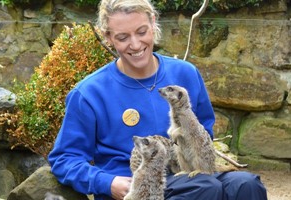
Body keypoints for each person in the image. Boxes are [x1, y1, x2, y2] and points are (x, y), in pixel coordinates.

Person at [48, 0, 268, 199]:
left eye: (142, 32)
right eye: (123, 37)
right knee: (205, 188)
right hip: (140, 186)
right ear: (108, 37)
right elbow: (64, 158)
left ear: (153, 23)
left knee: (246, 185)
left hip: (188, 173)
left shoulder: (185, 74)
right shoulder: (89, 93)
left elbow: (204, 135)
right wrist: (107, 183)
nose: (135, 45)